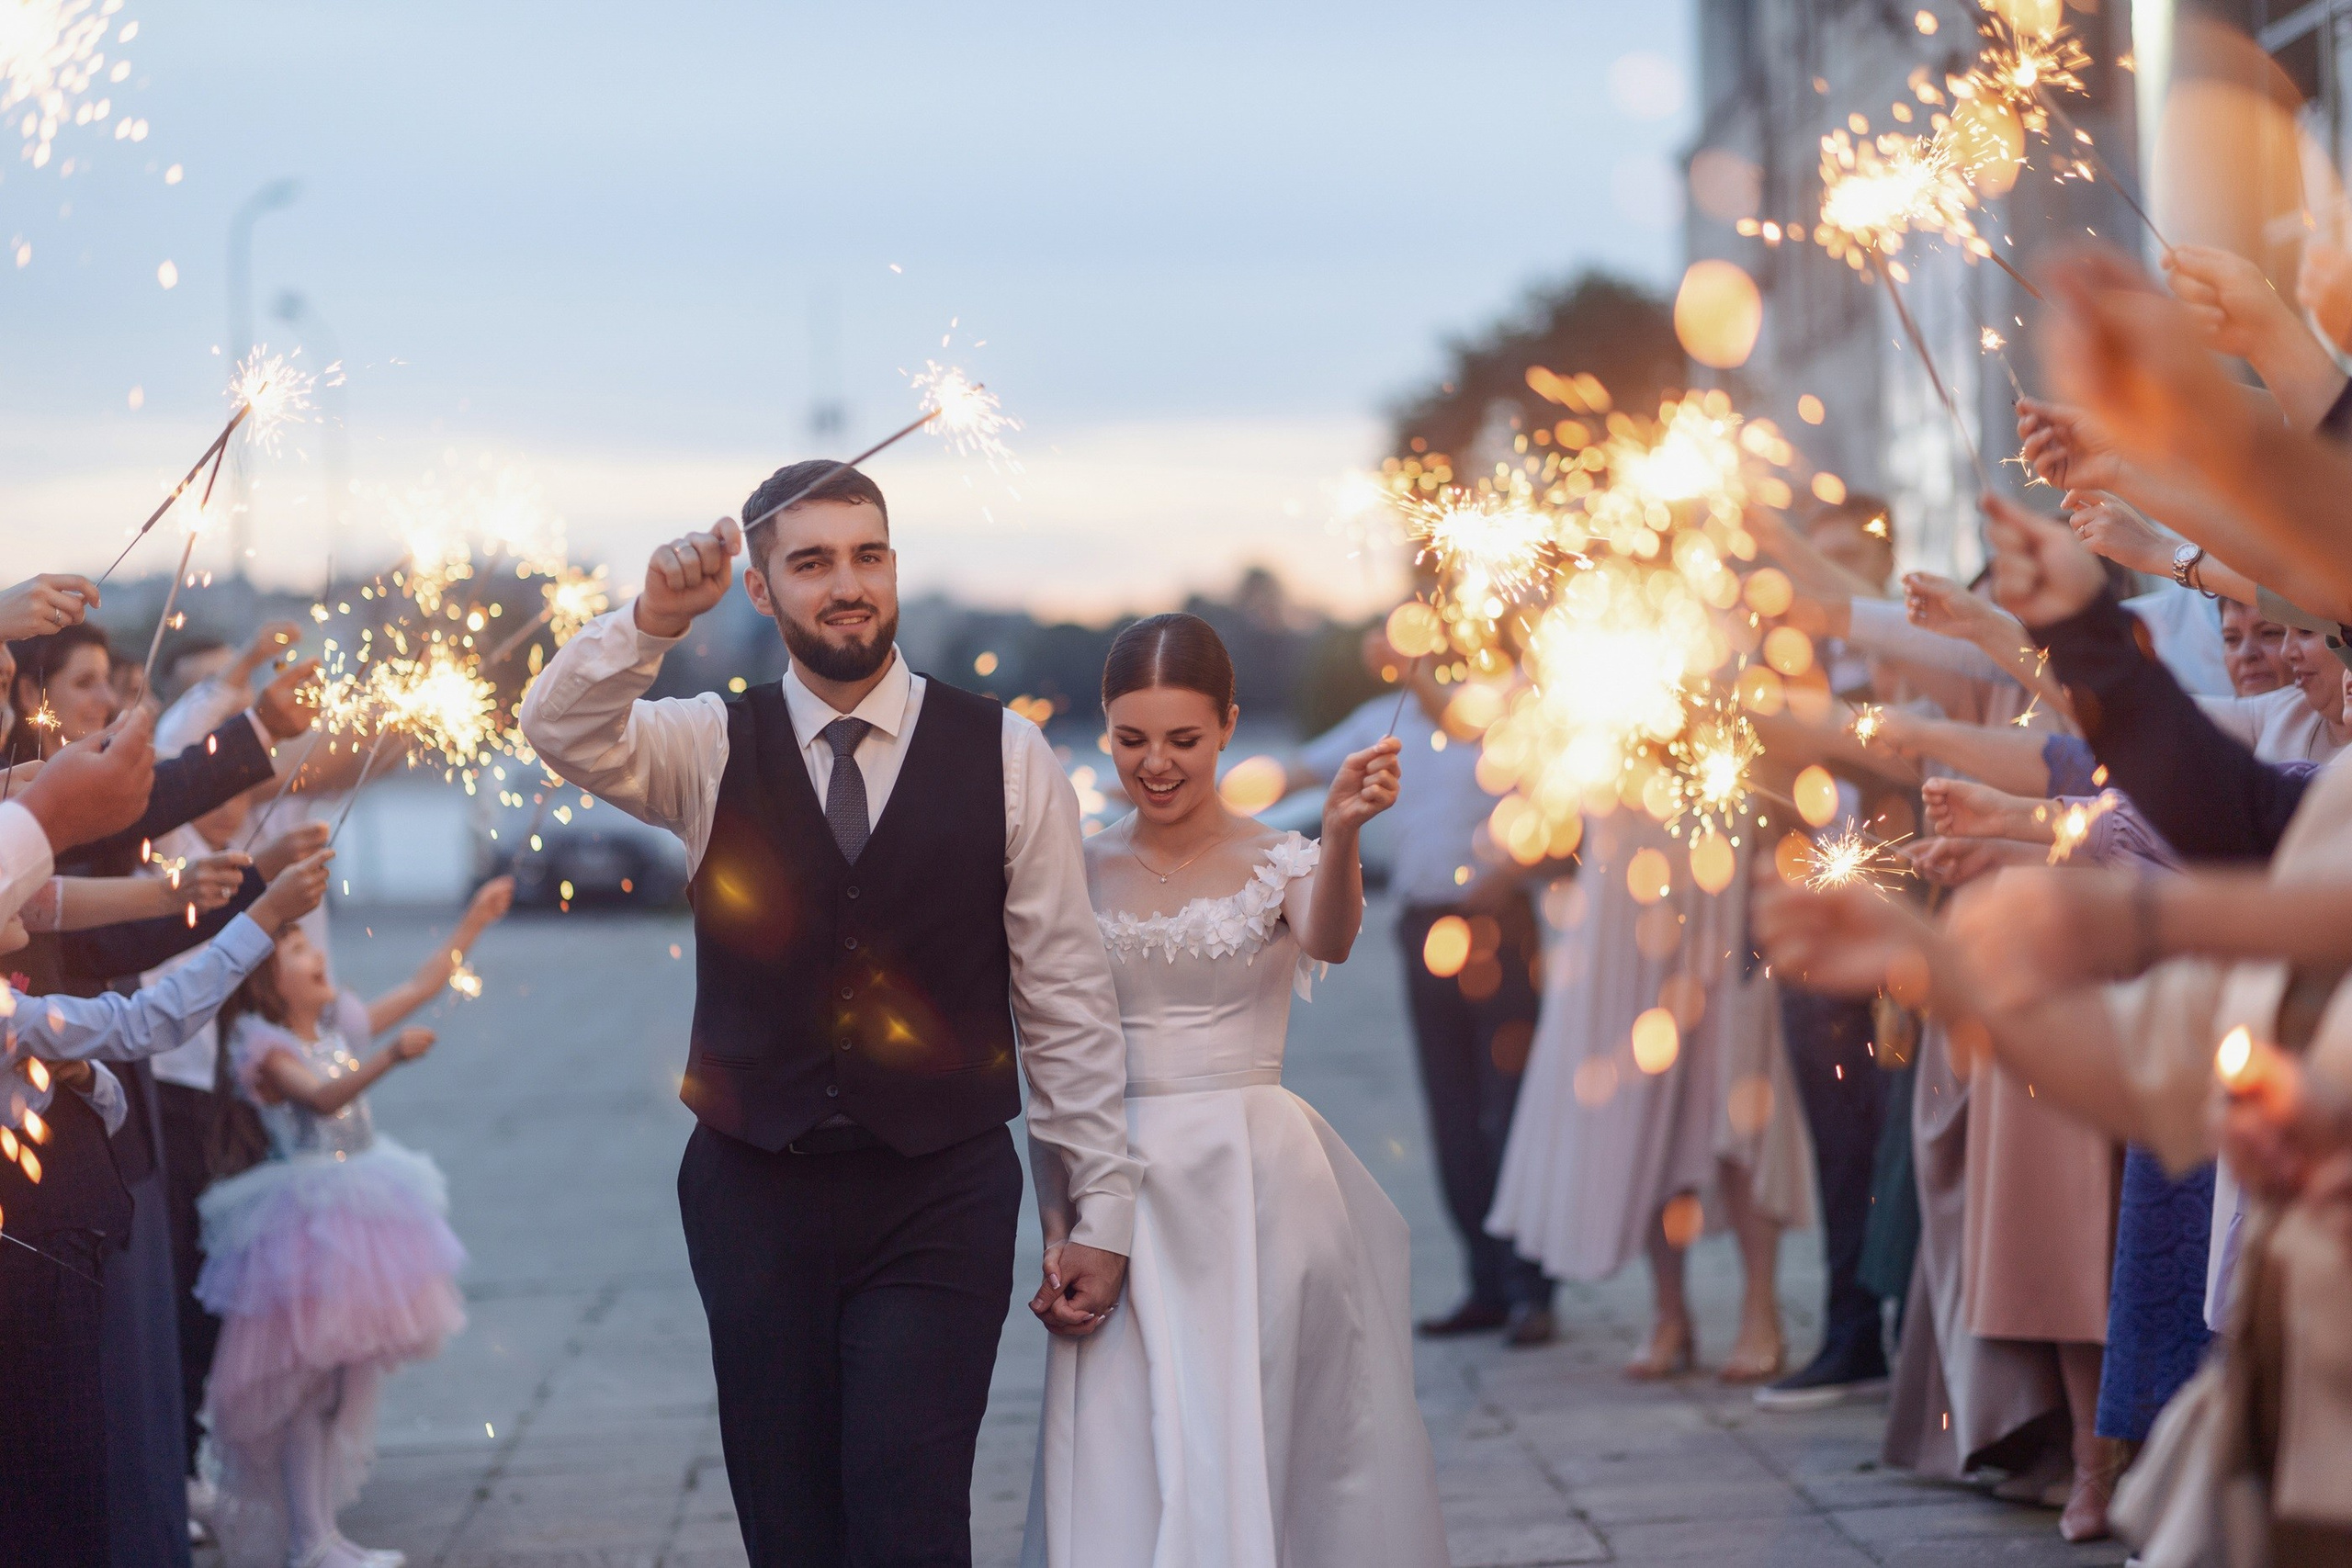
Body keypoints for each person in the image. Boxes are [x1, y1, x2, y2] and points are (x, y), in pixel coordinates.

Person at [519, 460, 1138, 1566]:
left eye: (867, 555)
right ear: (761, 590)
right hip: (754, 1195)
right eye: (810, 563)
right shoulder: (706, 745)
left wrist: (1098, 1208)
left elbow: (1065, 994)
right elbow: (558, 727)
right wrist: (651, 621)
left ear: (893, 567)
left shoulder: (1007, 754)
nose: (846, 585)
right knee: (790, 1528)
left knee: (910, 1518)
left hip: (938, 1192)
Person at [1021, 613, 1442, 1567]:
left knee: (1255, 1421)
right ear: (1105, 727)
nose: (1155, 764)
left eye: (1183, 740)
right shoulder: (1073, 868)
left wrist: (1337, 831)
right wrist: (1058, 1221)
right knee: (1129, 1436)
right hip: (1116, 1182)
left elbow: (1329, 939)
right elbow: (1051, 1051)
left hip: (1254, 1183)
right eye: (1131, 740)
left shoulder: (1282, 857)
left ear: (1227, 726)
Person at [198, 875, 511, 1568]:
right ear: (265, 980)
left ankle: (324, 1532)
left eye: (311, 942)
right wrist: (391, 1057)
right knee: (310, 1390)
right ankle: (310, 1540)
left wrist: (473, 923)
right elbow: (322, 1097)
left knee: (339, 1388)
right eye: (295, 948)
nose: (314, 954)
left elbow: (423, 983)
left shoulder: (338, 1022)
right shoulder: (265, 1045)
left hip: (356, 1206)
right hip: (306, 1223)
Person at [1289, 626, 1556, 1344]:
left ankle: (1533, 1286)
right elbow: (1289, 777)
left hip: (1498, 928)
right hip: (1420, 923)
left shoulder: (1512, 706)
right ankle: (1486, 1283)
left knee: (1511, 1105)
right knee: (1453, 1106)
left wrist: (1511, 875)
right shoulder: (1383, 717)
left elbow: (1552, 806)